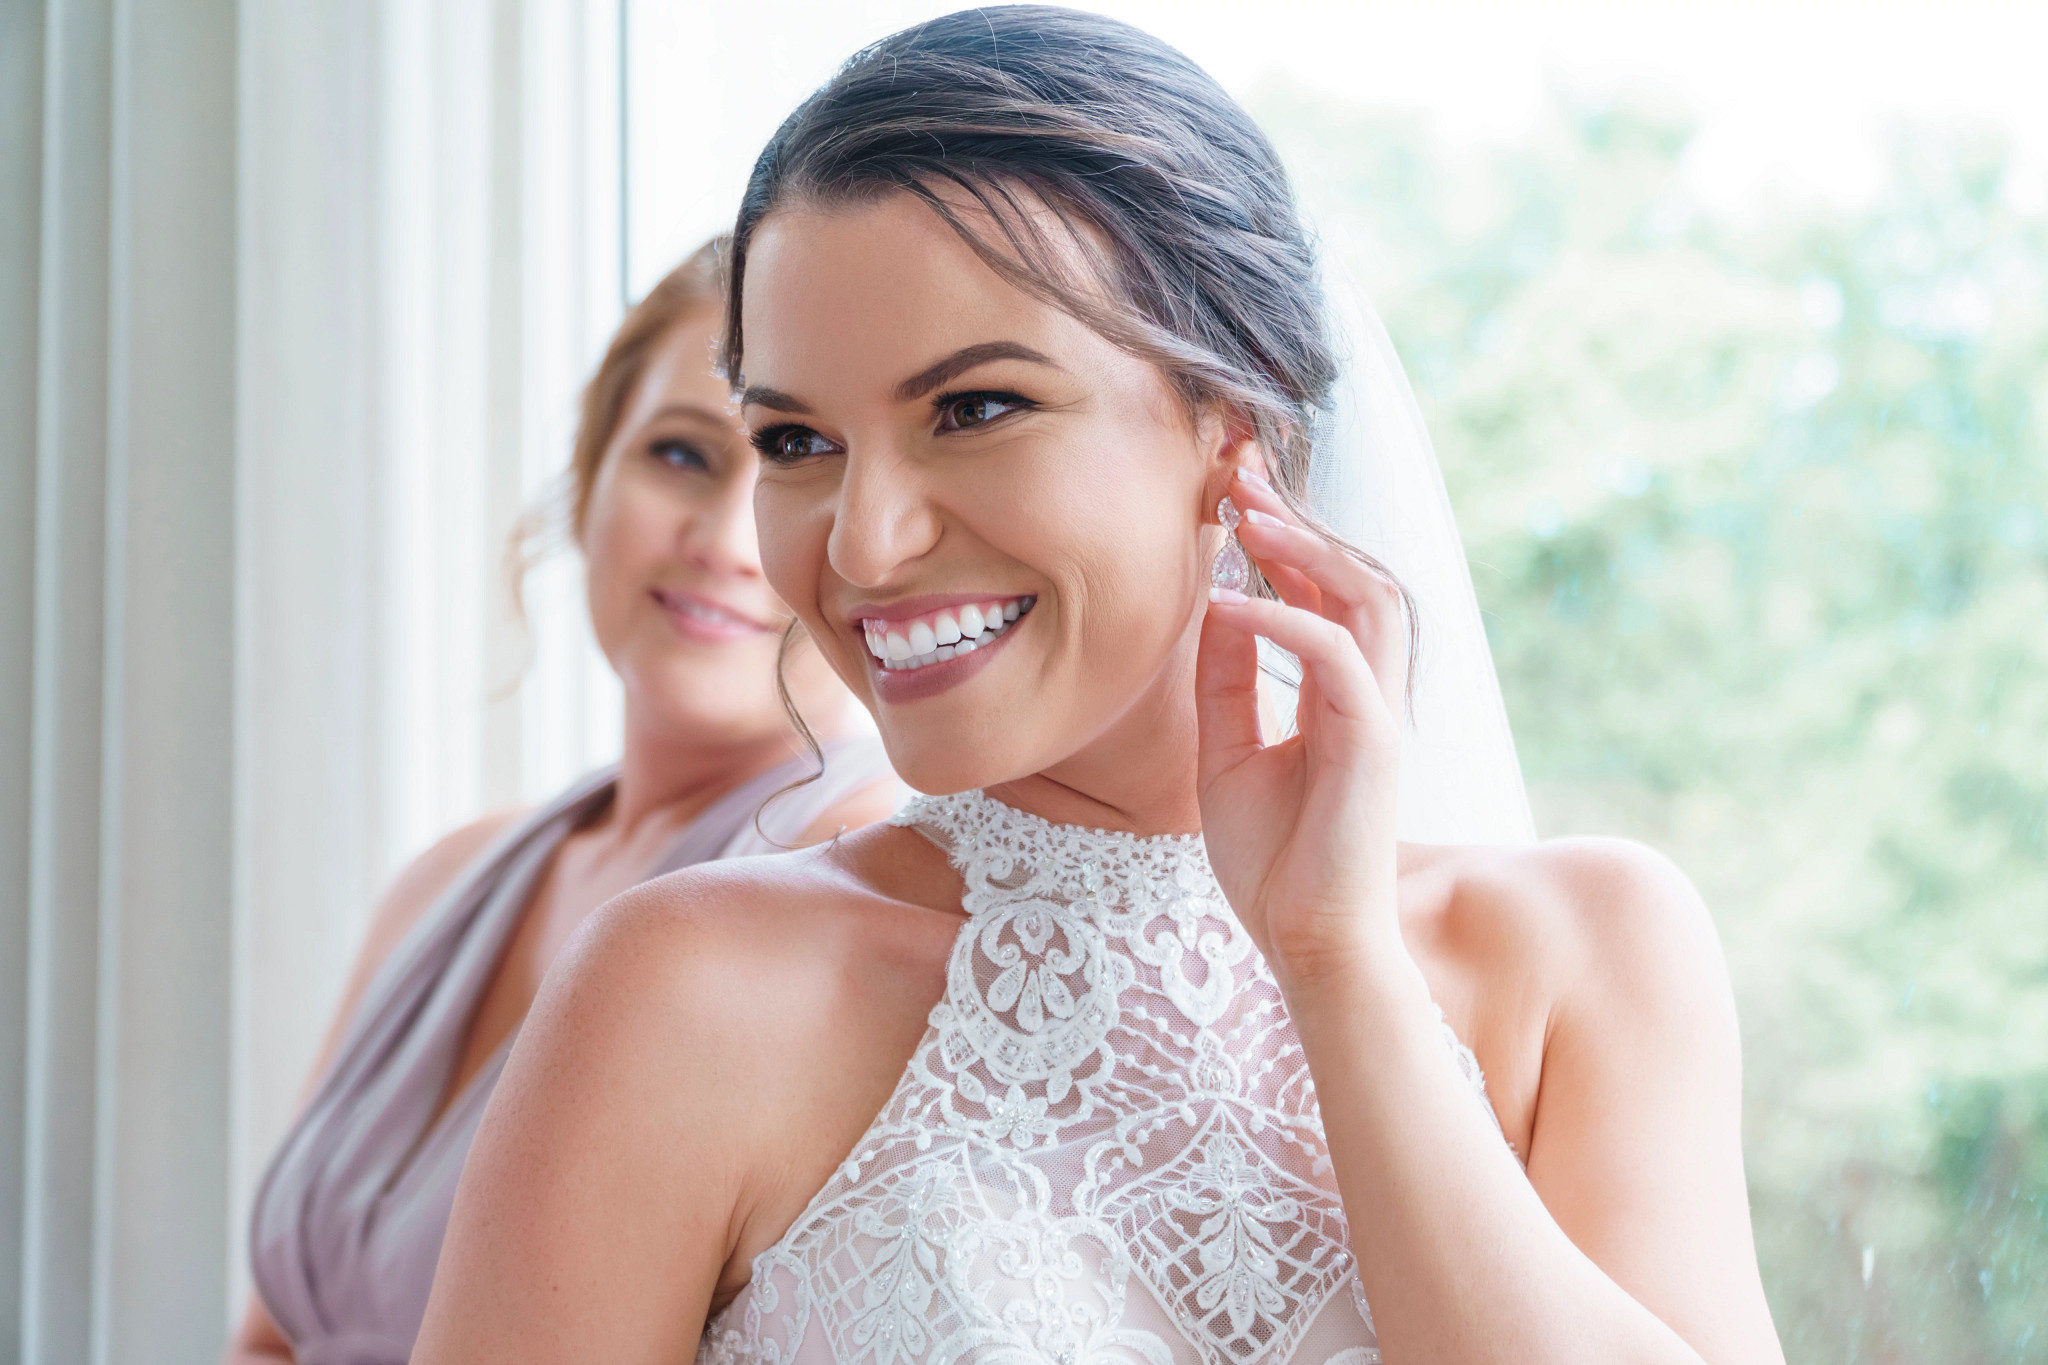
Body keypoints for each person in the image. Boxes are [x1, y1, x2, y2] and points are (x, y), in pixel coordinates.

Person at [414, 10, 1786, 1364]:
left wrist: (1336, 962)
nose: (862, 544)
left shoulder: (1593, 953)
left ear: (1228, 428)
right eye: (799, 438)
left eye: (974, 408)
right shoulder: (685, 992)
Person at [225, 240, 899, 1365]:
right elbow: (271, 1335)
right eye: (679, 455)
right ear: (588, 480)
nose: (724, 542)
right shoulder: (452, 877)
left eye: (791, 460)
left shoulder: (847, 891)